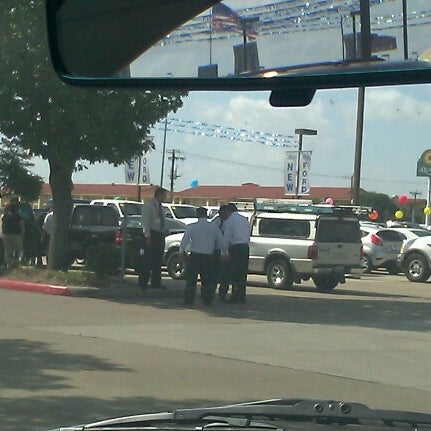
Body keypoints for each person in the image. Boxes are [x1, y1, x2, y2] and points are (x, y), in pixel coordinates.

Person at [179, 206, 223, 306]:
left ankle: (189, 300)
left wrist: (181, 252)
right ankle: (207, 300)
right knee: (207, 281)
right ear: (206, 215)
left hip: (195, 256)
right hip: (208, 256)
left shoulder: (192, 226)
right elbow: (221, 242)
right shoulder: (213, 227)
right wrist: (223, 252)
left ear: (197, 214)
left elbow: (185, 240)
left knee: (191, 280)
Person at [139, 187, 168, 290]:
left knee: (158, 261)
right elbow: (146, 222)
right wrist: (147, 236)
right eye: (164, 195)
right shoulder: (149, 206)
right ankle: (143, 283)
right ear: (158, 195)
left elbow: (161, 221)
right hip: (151, 235)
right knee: (148, 260)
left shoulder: (161, 207)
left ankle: (156, 283)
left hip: (159, 235)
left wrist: (164, 230)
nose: (165, 197)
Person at [222, 203, 250, 303]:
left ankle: (235, 296)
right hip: (245, 247)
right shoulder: (244, 219)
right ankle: (241, 296)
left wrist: (224, 252)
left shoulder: (229, 221)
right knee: (242, 273)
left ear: (229, 211)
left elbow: (226, 238)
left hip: (235, 248)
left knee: (235, 273)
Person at [213, 204, 231, 302]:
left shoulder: (230, 223)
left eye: (225, 213)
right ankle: (210, 292)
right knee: (213, 273)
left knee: (225, 275)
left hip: (226, 252)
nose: (223, 215)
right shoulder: (215, 222)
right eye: (221, 213)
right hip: (215, 251)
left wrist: (226, 252)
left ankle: (222, 294)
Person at [1, 200, 25, 267]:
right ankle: (16, 263)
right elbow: (22, 226)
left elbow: (2, 225)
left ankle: (9, 263)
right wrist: (23, 235)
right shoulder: (18, 217)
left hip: (6, 235)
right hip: (16, 235)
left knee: (8, 250)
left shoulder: (5, 216)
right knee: (18, 250)